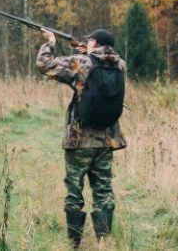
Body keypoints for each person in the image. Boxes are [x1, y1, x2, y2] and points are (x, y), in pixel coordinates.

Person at [37, 28, 127, 250]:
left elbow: (44, 65)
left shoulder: (81, 61)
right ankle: (104, 242)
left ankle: (74, 243)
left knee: (74, 190)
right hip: (107, 139)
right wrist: (84, 51)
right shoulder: (119, 65)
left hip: (79, 139)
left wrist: (50, 41)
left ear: (94, 42)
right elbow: (96, 63)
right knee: (103, 189)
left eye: (90, 41)